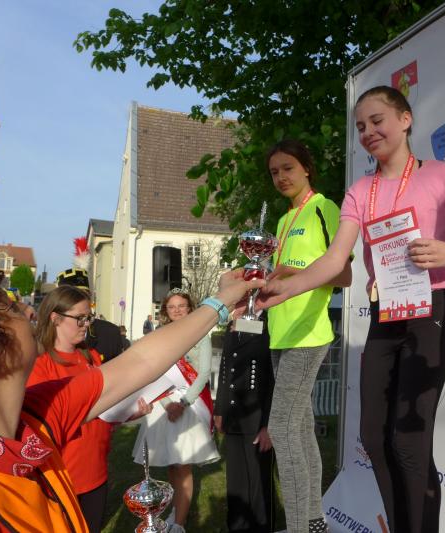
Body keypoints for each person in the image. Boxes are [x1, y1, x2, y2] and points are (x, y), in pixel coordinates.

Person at [259, 90, 445, 533]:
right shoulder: (359, 191)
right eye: (360, 126)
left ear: (405, 119)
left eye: (377, 120)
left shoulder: (442, 175)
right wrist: (285, 287)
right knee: (372, 435)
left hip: (429, 311)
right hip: (384, 313)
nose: (368, 132)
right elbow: (335, 261)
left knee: (409, 440)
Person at [0, 241, 262, 531]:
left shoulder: (38, 414)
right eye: (11, 306)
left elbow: (142, 361)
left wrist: (221, 299)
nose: (28, 309)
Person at [263, 139, 351, 533]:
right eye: (274, 172)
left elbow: (345, 275)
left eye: (288, 168)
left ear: (306, 168)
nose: (281, 177)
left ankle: (299, 526)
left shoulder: (324, 208)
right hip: (280, 332)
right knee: (299, 430)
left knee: (281, 430)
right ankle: (314, 521)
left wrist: (290, 272)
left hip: (309, 333)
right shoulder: (283, 221)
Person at [26, 286, 113, 532]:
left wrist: (127, 411)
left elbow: (106, 403)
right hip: (62, 477)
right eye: (80, 318)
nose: (86, 325)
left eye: (89, 318)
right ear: (55, 318)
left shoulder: (91, 357)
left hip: (96, 470)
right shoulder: (40, 364)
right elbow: (41, 423)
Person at [131, 288, 219, 533]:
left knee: (182, 465)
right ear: (165, 311)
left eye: (181, 306)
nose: (177, 310)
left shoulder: (200, 334)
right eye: (172, 307)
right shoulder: (160, 335)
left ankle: (179, 523)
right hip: (164, 403)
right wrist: (167, 403)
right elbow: (154, 371)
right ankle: (174, 510)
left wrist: (183, 403)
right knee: (170, 464)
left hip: (189, 403)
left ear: (190, 308)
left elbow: (203, 373)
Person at [214, 317, 275, 533]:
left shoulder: (271, 323)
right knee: (236, 481)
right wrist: (220, 409)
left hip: (257, 417)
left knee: (258, 483)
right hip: (234, 415)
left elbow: (274, 380)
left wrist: (269, 425)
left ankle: (261, 528)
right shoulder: (234, 325)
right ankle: (237, 527)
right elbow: (225, 370)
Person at [56, 267, 125, 362]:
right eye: (75, 298)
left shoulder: (110, 333)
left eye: (85, 296)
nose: (82, 302)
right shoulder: (47, 338)